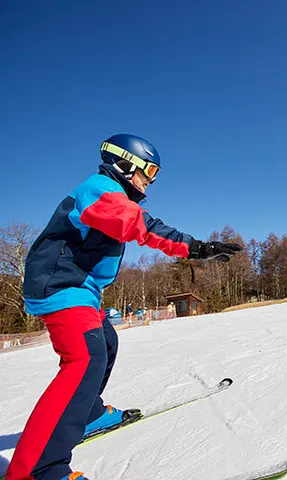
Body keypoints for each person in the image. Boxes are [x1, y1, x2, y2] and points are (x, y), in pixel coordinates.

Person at [8, 134, 243, 480]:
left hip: (80, 290)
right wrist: (194, 247)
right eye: (148, 171)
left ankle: (86, 413)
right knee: (84, 358)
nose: (150, 181)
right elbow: (139, 225)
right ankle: (37, 468)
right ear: (124, 163)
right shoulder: (100, 189)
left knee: (105, 344)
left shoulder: (112, 195)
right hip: (61, 287)